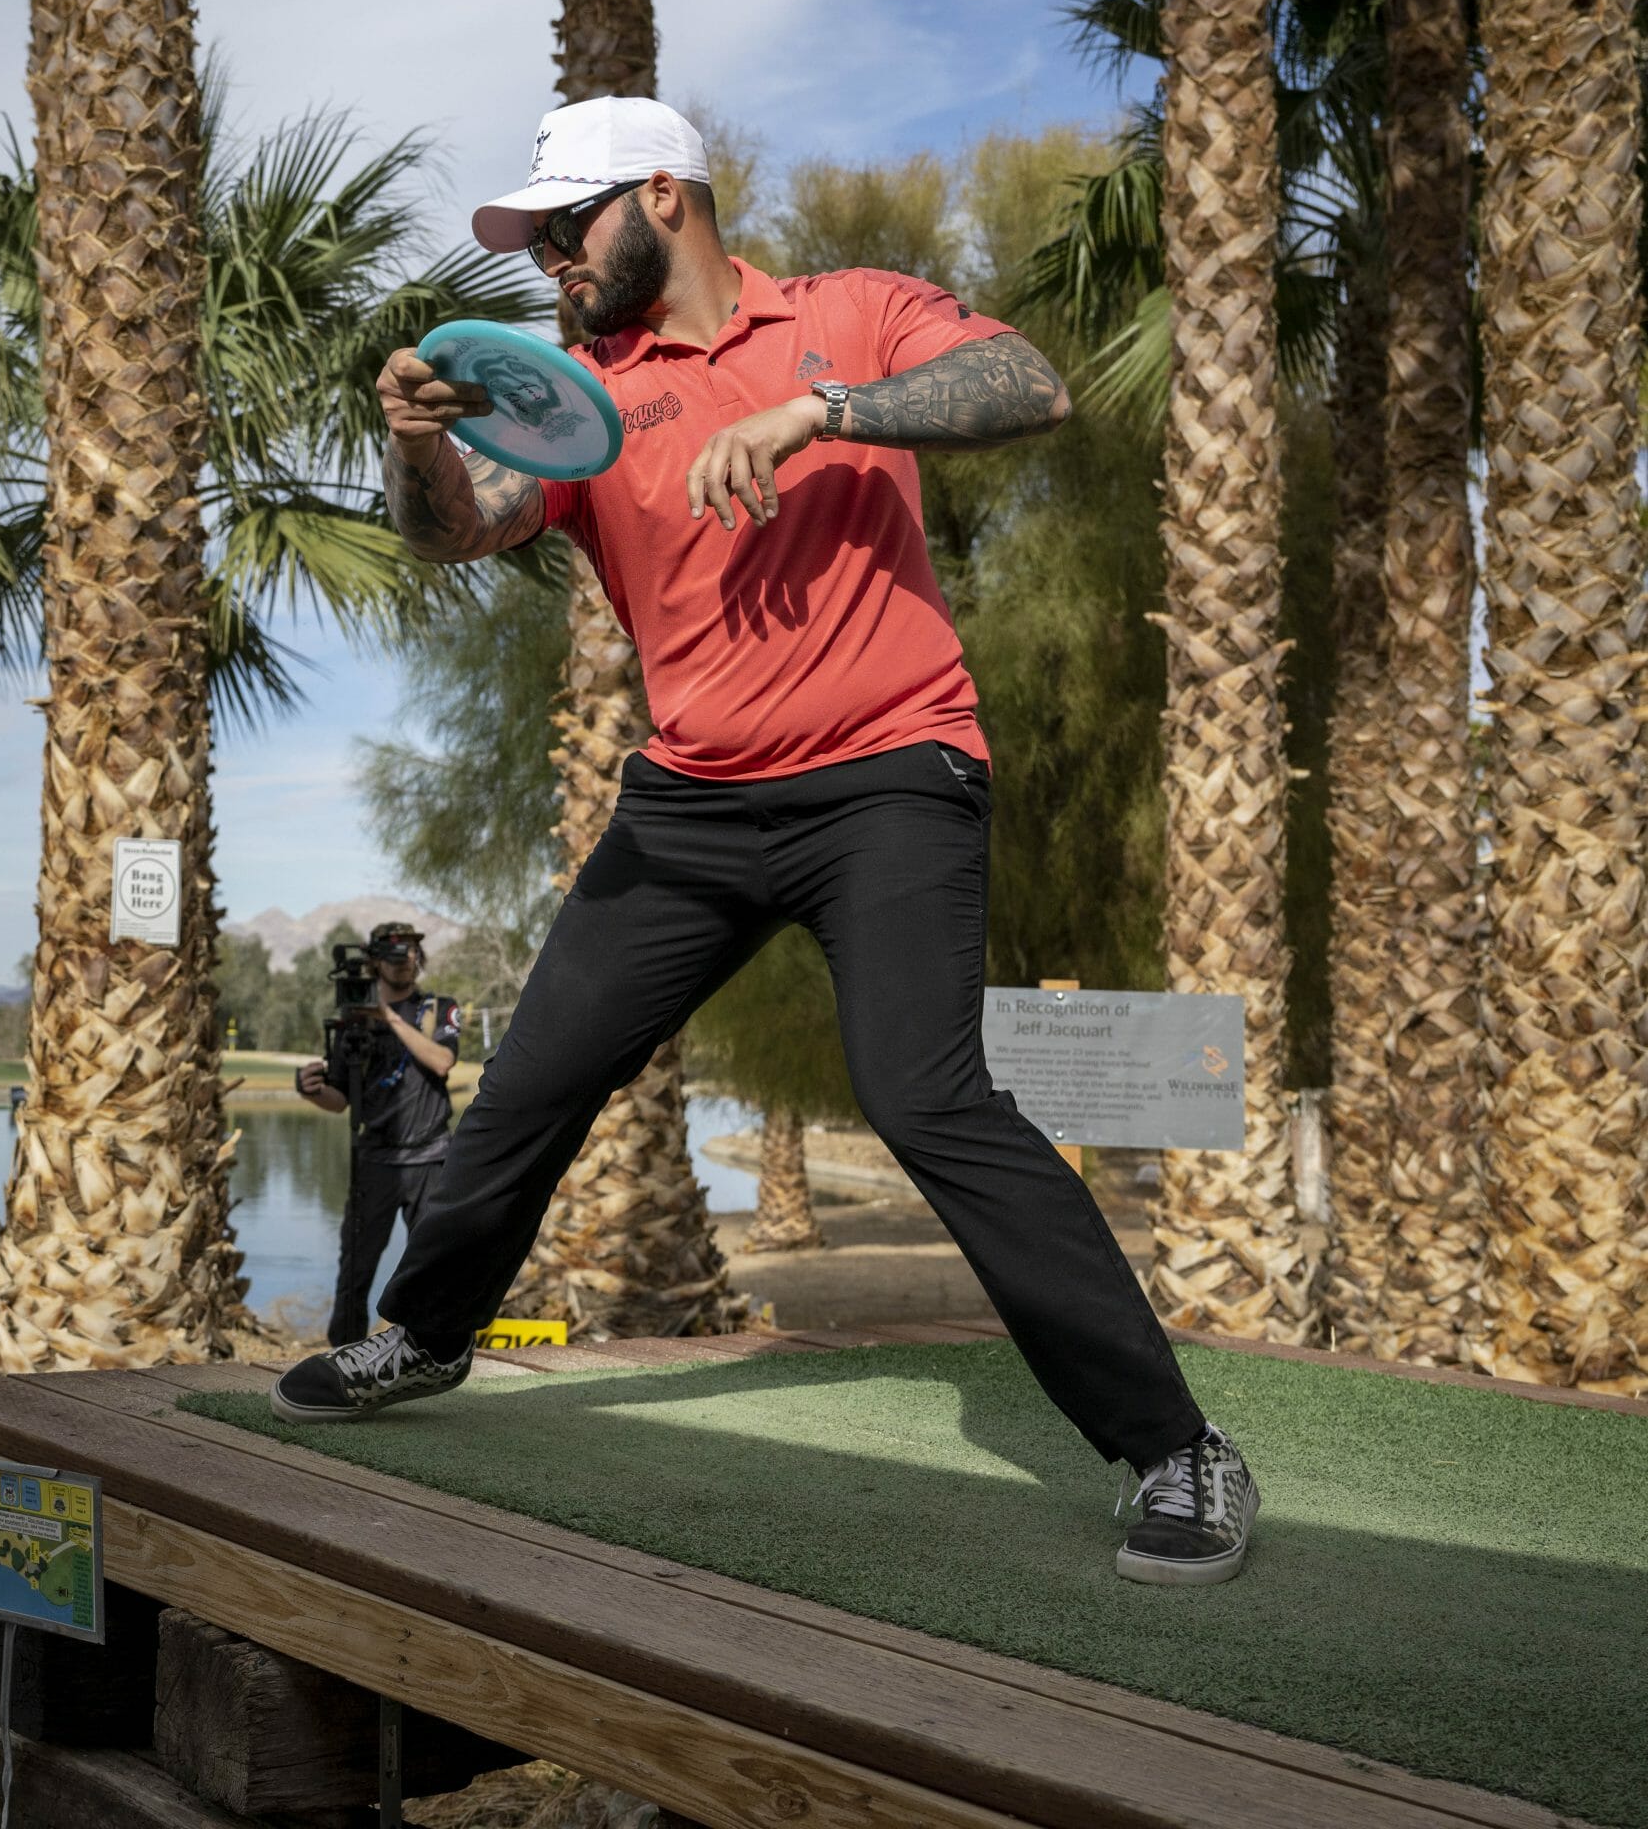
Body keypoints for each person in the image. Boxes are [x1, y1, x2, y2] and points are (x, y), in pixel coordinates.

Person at [272, 97, 1260, 1588]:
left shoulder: (851, 314)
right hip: (687, 804)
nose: (548, 263)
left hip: (890, 780)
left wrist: (825, 410)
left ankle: (1178, 1451)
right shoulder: (581, 398)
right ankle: (423, 1339)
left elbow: (1031, 386)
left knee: (925, 1096)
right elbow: (454, 533)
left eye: (566, 228)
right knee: (536, 1073)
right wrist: (414, 445)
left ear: (666, 196)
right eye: (534, 239)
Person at [291, 922, 463, 1346]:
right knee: (355, 1268)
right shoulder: (352, 1021)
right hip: (375, 1160)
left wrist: (387, 1017)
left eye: (410, 954)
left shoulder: (437, 1008)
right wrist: (310, 1091)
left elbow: (442, 1061)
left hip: (430, 1157)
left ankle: (428, 1353)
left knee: (434, 1266)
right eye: (393, 955)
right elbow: (340, 1100)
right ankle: (343, 1357)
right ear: (373, 962)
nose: (404, 962)